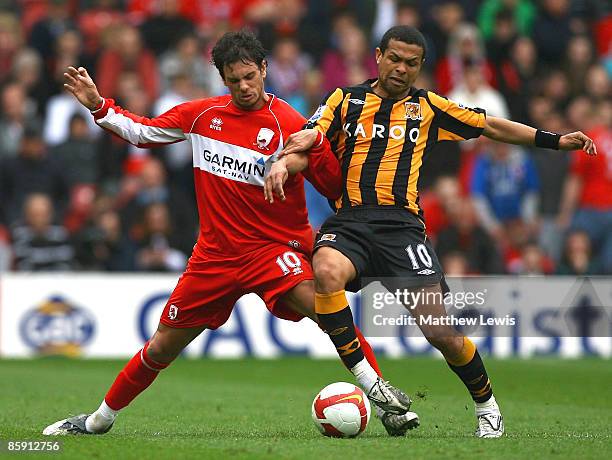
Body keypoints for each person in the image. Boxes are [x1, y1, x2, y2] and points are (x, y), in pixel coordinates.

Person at [42, 30, 415, 437]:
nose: (244, 87)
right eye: (234, 79)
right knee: (162, 345)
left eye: (250, 76)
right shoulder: (202, 117)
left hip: (274, 250)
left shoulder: (290, 122)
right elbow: (143, 132)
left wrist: (317, 150)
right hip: (214, 257)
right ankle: (99, 420)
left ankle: (382, 398)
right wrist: (99, 105)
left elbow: (333, 185)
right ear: (223, 78)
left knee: (325, 306)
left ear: (264, 70)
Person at [267, 25, 597, 438]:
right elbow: (314, 133)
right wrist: (286, 159)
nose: (401, 69)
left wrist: (554, 140)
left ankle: (487, 405)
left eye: (411, 63)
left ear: (421, 67)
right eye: (395, 59)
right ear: (378, 56)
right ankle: (372, 383)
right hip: (349, 221)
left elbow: (491, 126)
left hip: (402, 230)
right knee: (327, 271)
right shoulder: (344, 99)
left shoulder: (428, 107)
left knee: (441, 333)